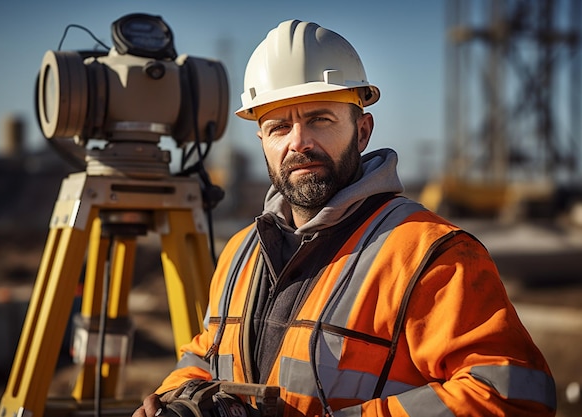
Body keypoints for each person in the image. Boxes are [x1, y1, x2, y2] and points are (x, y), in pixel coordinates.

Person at [134, 19, 556, 417]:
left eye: (319, 119)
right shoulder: (240, 252)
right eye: (279, 127)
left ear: (362, 131)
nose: (298, 143)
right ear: (261, 140)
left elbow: (511, 395)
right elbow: (207, 355)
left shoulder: (429, 254)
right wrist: (176, 397)